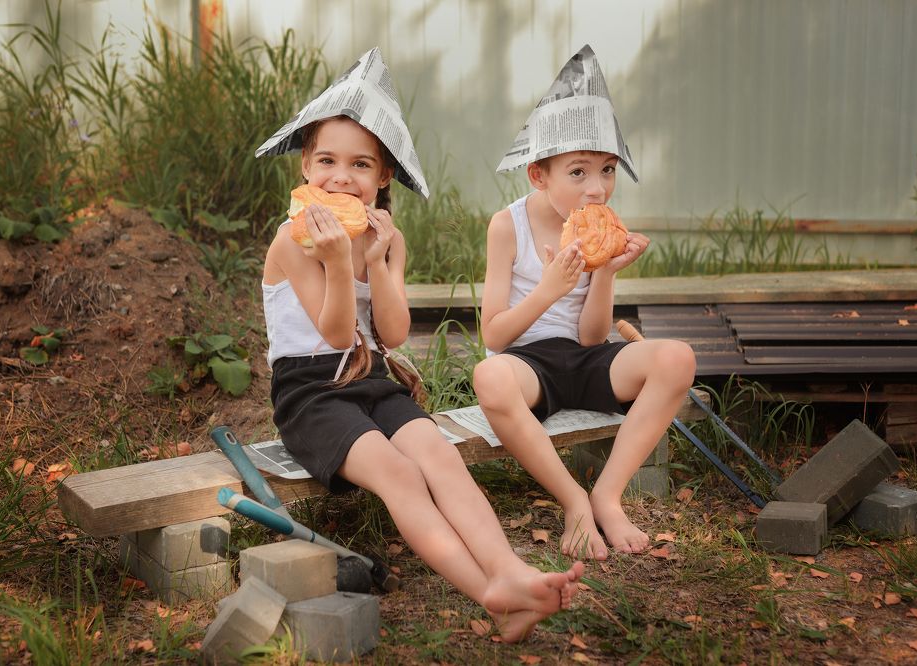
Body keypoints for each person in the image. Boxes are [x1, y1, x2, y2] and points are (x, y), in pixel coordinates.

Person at [256, 48, 583, 642]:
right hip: (310, 394)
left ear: (382, 177)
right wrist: (335, 262)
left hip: (370, 376)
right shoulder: (292, 240)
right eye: (327, 160)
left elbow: (395, 333)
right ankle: (493, 595)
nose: (341, 177)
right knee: (400, 475)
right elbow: (332, 334)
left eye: (360, 165)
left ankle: (510, 568)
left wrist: (376, 262)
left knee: (438, 454)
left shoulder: (388, 237)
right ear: (305, 165)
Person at [474, 45, 696, 560]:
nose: (597, 189)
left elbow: (593, 339)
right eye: (578, 172)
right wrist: (549, 288)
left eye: (607, 170)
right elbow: (494, 336)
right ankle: (574, 499)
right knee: (488, 378)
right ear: (539, 174)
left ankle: (608, 495)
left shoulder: (600, 231)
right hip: (527, 363)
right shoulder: (508, 226)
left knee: (677, 357)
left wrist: (605, 274)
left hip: (581, 358)